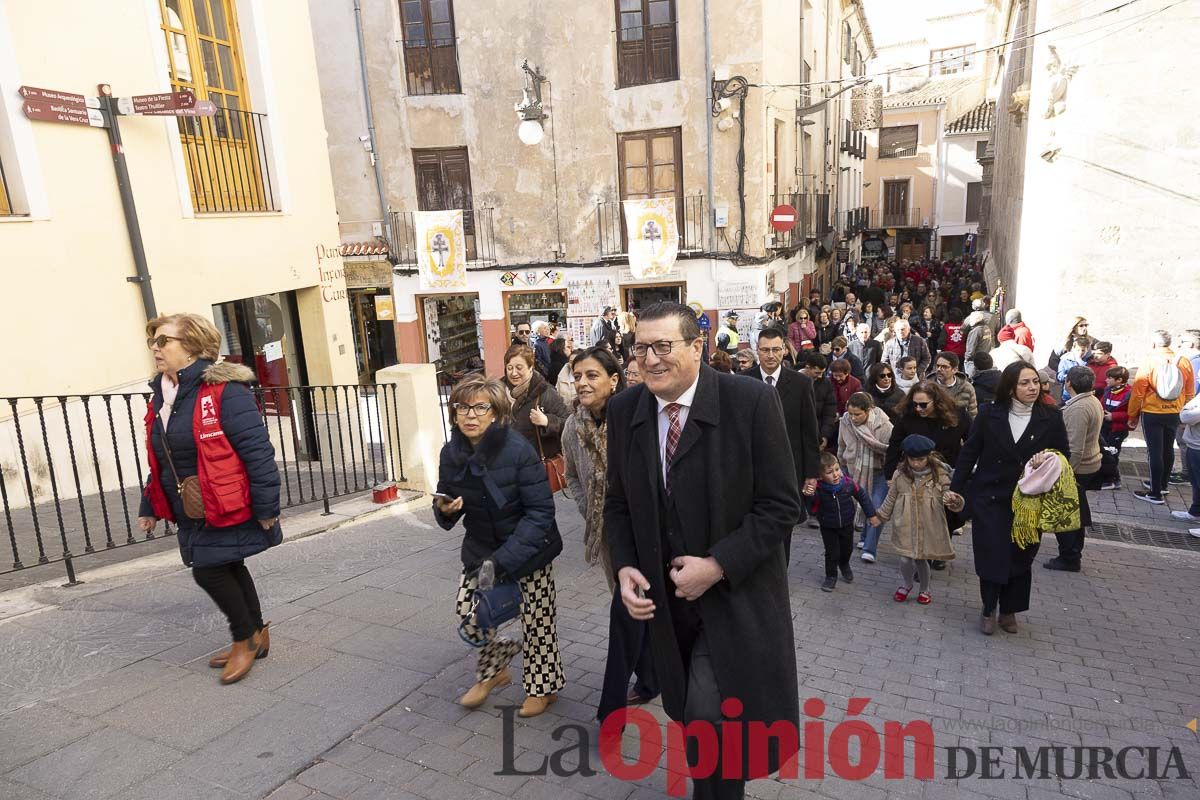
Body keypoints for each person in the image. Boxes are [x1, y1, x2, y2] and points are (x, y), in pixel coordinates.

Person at [604, 301, 802, 799]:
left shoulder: (750, 403)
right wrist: (625, 566)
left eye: (662, 346)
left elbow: (781, 507)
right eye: (641, 347)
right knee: (699, 718)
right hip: (667, 606)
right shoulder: (626, 408)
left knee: (711, 715)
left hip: (734, 600)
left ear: (698, 347)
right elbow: (617, 503)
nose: (649, 358)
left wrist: (716, 566)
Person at [138, 313, 282, 685]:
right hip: (194, 504)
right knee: (228, 563)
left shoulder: (225, 392)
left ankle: (243, 640)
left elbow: (257, 451)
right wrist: (149, 504)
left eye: (163, 341)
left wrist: (267, 507)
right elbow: (163, 456)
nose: (155, 347)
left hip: (225, 499)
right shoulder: (164, 396)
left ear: (192, 349)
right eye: (153, 340)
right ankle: (257, 634)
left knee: (209, 569)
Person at [436, 375, 565, 717]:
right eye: (462, 407)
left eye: (480, 407)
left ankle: (543, 688)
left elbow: (541, 512)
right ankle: (496, 669)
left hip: (530, 549)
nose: (470, 414)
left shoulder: (518, 449)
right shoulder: (452, 452)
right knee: (471, 613)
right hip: (481, 547)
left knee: (537, 621)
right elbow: (445, 497)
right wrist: (444, 509)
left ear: (495, 413)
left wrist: (505, 560)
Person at [560, 348, 658, 720]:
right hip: (605, 533)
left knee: (635, 607)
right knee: (628, 603)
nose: (582, 383)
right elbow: (571, 475)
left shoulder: (634, 417)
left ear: (613, 380)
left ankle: (634, 686)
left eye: (592, 376)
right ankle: (649, 676)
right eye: (578, 376)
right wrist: (589, 509)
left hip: (643, 530)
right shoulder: (572, 426)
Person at [952, 362, 1071, 636]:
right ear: (1010, 387)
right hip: (990, 497)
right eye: (1024, 383)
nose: (1032, 388)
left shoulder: (1050, 417)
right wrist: (956, 488)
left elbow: (1065, 456)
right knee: (992, 553)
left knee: (1021, 554)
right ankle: (988, 607)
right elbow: (970, 453)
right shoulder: (989, 413)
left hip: (1028, 501)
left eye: (1035, 382)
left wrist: (1049, 458)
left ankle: (1010, 610)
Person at [743, 328, 822, 546]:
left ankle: (780, 577)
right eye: (765, 350)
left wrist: (812, 474)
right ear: (757, 351)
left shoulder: (801, 383)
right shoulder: (742, 382)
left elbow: (809, 431)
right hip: (750, 470)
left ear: (785, 350)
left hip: (788, 469)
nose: (771, 355)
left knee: (782, 529)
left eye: (776, 349)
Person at [875, 434, 964, 605]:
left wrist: (953, 499)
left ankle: (925, 589)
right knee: (904, 558)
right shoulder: (900, 475)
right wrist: (880, 516)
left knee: (922, 560)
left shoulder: (939, 474)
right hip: (906, 524)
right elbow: (891, 498)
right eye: (912, 459)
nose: (916, 463)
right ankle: (907, 584)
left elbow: (949, 493)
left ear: (929, 456)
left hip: (928, 525)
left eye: (921, 459)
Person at [1044, 367, 1102, 573]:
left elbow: (1075, 448)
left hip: (1077, 469)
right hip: (1086, 465)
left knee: (1065, 515)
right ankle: (1072, 552)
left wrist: (1065, 475)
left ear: (1068, 383)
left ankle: (1069, 556)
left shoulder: (1079, 408)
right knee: (1076, 513)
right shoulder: (1089, 402)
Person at [1130, 330, 1197, 504]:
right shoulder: (1183, 361)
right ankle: (1163, 484)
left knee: (1154, 452)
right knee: (1168, 448)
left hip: (1153, 411)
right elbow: (1189, 391)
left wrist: (1133, 415)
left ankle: (1155, 492)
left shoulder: (1149, 361)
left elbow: (1138, 392)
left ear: (1153, 344)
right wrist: (1184, 409)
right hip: (1174, 411)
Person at [804, 452, 881, 591]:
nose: (835, 474)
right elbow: (812, 509)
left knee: (847, 550)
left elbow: (863, 497)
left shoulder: (848, 484)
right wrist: (809, 496)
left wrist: (872, 515)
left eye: (837, 469)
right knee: (832, 553)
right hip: (828, 526)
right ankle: (831, 576)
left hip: (846, 524)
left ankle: (844, 564)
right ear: (820, 476)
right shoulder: (819, 489)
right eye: (829, 472)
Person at [838, 392, 892, 562]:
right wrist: (841, 467)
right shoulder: (845, 421)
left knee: (876, 508)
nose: (853, 418)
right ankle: (862, 538)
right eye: (851, 413)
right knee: (858, 505)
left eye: (858, 414)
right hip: (852, 469)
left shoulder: (883, 425)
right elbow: (841, 444)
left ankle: (870, 548)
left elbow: (890, 451)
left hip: (879, 472)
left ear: (868, 410)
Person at [883, 382, 970, 485]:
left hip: (948, 473)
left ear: (936, 401)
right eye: (915, 404)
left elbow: (971, 443)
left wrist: (964, 471)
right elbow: (894, 446)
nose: (918, 408)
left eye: (923, 405)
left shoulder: (957, 414)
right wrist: (889, 475)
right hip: (916, 475)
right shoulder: (907, 417)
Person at [502, 344, 570, 462]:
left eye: (519, 368)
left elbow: (568, 423)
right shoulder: (498, 391)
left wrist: (547, 421)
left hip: (535, 464)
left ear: (530, 367)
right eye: (509, 368)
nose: (513, 373)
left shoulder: (545, 392)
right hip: (505, 463)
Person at [1098, 365, 1131, 491]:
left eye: (1109, 378)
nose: (1106, 380)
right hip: (1105, 426)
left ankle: (1111, 480)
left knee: (1112, 454)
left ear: (1119, 380)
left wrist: (1114, 416)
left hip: (1117, 428)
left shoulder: (1128, 394)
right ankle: (1113, 478)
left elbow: (1131, 413)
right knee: (1106, 452)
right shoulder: (1108, 390)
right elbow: (1102, 404)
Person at [1174, 388, 1200, 535]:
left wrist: (1185, 411)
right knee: (1196, 483)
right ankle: (1195, 511)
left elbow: (1187, 416)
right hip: (1194, 443)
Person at [802, 353, 838, 449]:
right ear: (807, 367)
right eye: (817, 373)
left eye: (822, 373)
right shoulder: (793, 381)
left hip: (818, 433)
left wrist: (825, 435)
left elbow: (829, 412)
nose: (820, 376)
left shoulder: (826, 383)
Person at [934, 351, 978, 420]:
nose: (939, 369)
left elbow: (972, 414)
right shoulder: (927, 386)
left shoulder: (967, 388)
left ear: (954, 370)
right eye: (938, 366)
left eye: (944, 367)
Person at [1055, 336, 1091, 403]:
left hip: (1083, 395)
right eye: (1078, 350)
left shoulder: (1089, 361)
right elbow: (1059, 377)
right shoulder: (1065, 360)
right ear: (1073, 348)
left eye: (1083, 350)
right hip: (1068, 395)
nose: (1080, 353)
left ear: (1087, 350)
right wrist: (1071, 377)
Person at [962, 308, 996, 378]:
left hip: (974, 361)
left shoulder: (975, 331)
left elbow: (970, 348)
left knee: (971, 379)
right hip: (983, 358)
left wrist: (967, 359)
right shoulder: (986, 328)